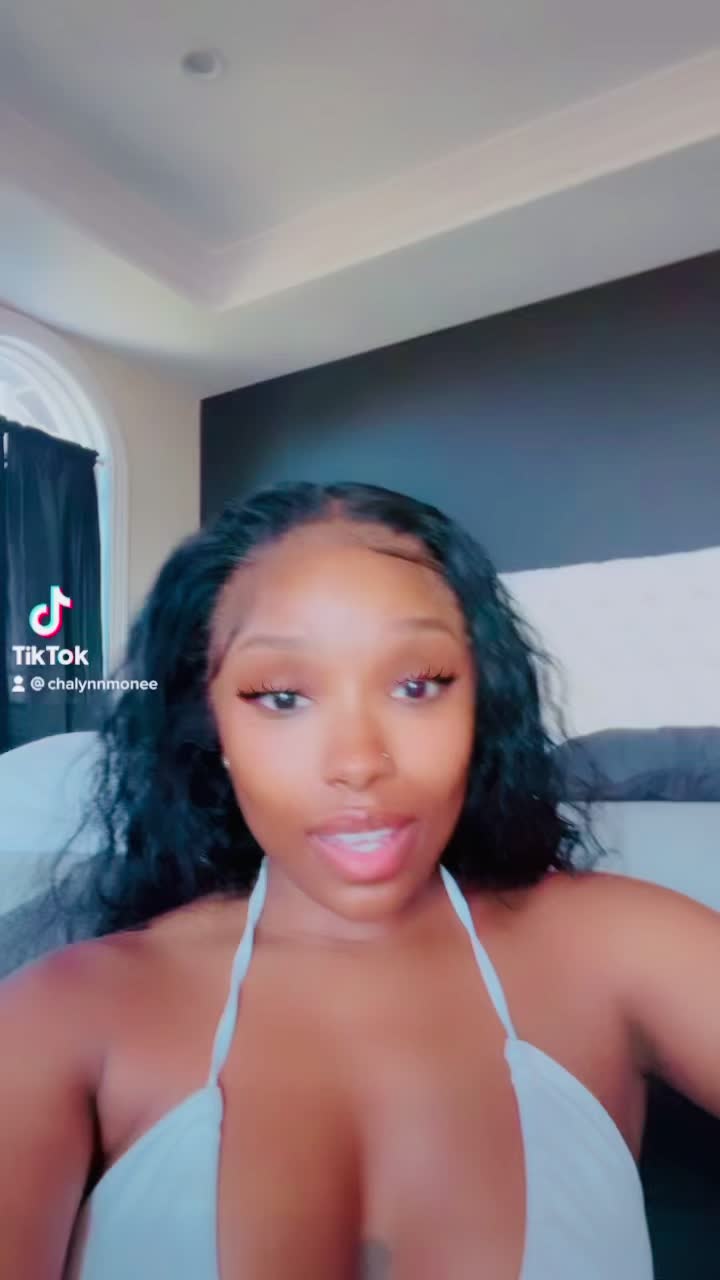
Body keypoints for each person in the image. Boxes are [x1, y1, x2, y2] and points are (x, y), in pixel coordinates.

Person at [0, 479, 718, 1280]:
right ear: (211, 722)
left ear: (480, 702)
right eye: (282, 697)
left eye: (417, 685)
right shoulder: (62, 1015)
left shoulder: (617, 946)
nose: (359, 763)